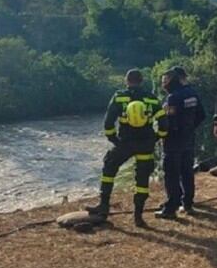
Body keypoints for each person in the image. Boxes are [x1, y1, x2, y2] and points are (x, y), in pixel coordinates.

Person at [86, 69, 167, 227]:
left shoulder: (119, 96)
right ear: (142, 81)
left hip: (125, 142)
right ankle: (138, 217)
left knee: (109, 167)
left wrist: (114, 139)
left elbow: (108, 121)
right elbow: (163, 122)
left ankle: (103, 206)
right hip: (145, 144)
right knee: (142, 181)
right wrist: (157, 137)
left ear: (126, 81)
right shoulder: (151, 98)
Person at [157, 67, 205, 219]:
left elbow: (168, 122)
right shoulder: (193, 93)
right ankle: (188, 203)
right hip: (188, 139)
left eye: (166, 81)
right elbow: (201, 115)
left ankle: (171, 207)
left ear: (173, 80)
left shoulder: (173, 97)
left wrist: (161, 134)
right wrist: (189, 129)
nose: (164, 85)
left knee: (171, 173)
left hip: (173, 141)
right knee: (187, 172)